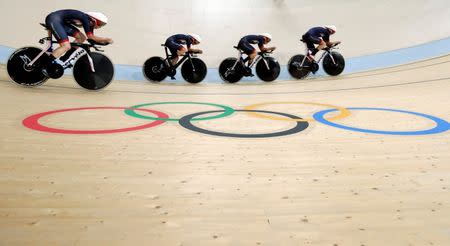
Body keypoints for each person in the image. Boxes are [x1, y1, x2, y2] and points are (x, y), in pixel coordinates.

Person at [44, 9, 113, 61]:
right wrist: (107, 39)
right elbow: (91, 37)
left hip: (61, 22)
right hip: (54, 19)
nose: (100, 26)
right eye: (101, 24)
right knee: (66, 46)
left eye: (103, 25)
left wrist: (101, 42)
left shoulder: (90, 23)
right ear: (94, 20)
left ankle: (65, 57)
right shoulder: (85, 18)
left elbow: (91, 39)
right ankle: (45, 65)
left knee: (81, 38)